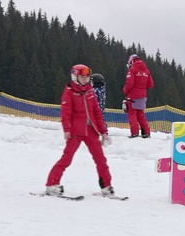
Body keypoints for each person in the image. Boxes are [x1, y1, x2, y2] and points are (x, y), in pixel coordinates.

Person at [44, 64, 116, 197]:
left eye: (87, 77)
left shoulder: (90, 92)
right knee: (67, 159)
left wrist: (104, 132)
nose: (85, 79)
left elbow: (97, 113)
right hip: (75, 132)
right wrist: (67, 129)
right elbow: (66, 113)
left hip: (91, 131)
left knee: (101, 160)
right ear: (75, 76)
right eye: (82, 76)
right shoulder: (69, 92)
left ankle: (106, 187)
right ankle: (51, 184)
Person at [123, 54, 154, 138]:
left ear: (131, 62)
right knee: (141, 115)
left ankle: (135, 133)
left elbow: (130, 83)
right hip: (143, 96)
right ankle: (146, 132)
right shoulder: (147, 71)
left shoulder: (132, 70)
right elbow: (151, 84)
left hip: (132, 96)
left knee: (132, 115)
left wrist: (125, 90)